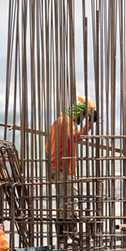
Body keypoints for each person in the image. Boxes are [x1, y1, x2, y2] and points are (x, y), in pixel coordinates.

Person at [45, 96, 98, 237]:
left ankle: (62, 233)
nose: (81, 120)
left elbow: (47, 147)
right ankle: (70, 231)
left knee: (63, 199)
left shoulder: (58, 121)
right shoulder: (67, 121)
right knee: (71, 199)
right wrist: (89, 124)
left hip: (56, 166)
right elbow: (75, 137)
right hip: (63, 166)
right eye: (84, 116)